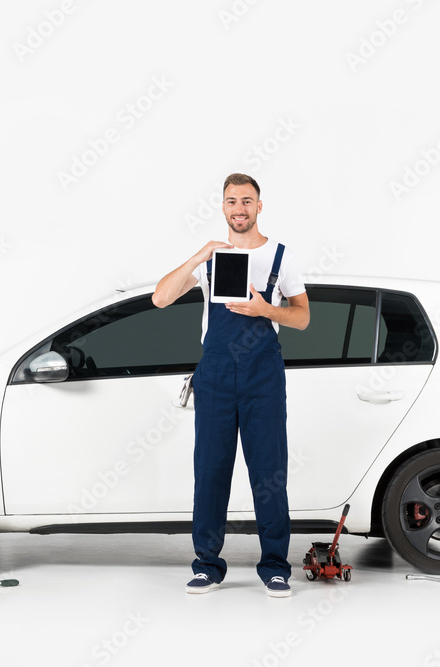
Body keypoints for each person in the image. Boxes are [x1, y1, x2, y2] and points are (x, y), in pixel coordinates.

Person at [152, 173, 309, 597]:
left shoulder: (282, 258)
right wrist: (197, 256)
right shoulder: (209, 260)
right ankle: (207, 564)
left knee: (269, 474)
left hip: (263, 376)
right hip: (217, 374)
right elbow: (160, 298)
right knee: (210, 472)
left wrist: (264, 309)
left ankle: (275, 566)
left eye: (247, 200)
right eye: (231, 201)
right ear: (222, 207)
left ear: (260, 206)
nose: (239, 208)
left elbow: (303, 317)